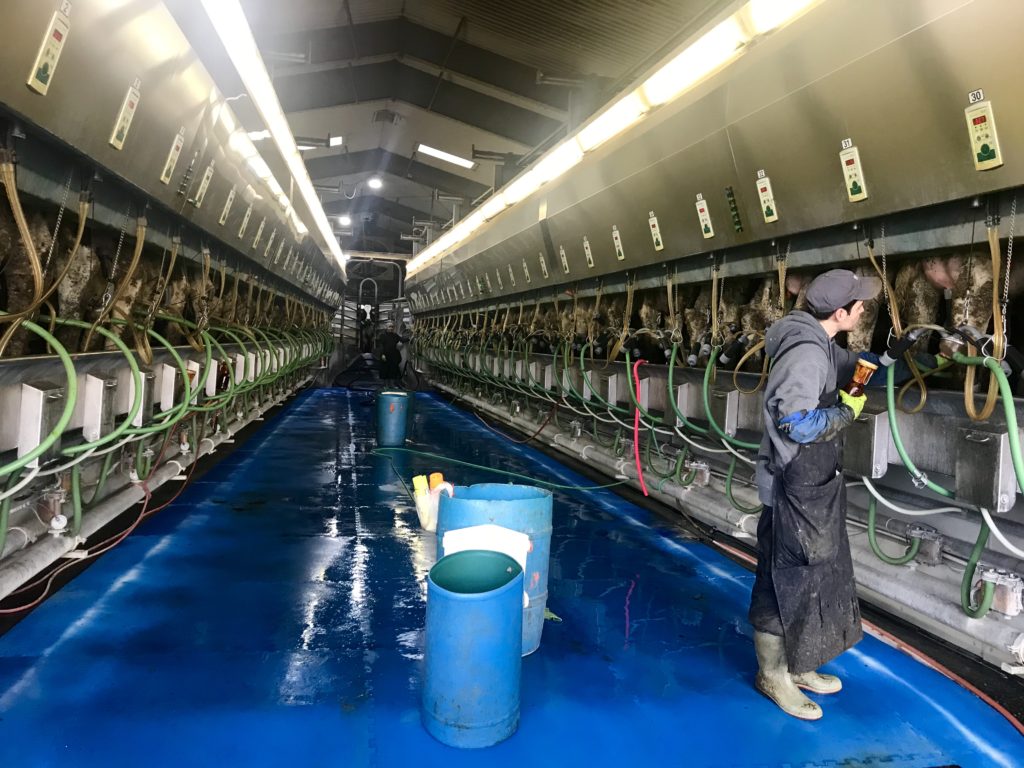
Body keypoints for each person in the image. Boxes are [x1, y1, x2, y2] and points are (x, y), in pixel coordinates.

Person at [748, 268, 883, 721]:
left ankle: (797, 664)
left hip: (810, 485)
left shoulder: (822, 342)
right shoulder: (806, 351)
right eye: (859, 304)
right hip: (790, 483)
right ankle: (773, 674)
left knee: (808, 575)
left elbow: (850, 369)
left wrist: (895, 360)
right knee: (778, 576)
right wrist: (845, 413)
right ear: (839, 312)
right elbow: (797, 422)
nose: (864, 308)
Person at [377, 322, 403, 387]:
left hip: (393, 356)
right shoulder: (382, 335)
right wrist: (382, 354)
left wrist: (410, 337)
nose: (391, 328)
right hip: (385, 356)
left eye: (392, 327)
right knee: (385, 370)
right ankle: (385, 385)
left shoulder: (395, 335)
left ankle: (392, 385)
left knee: (393, 370)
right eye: (389, 327)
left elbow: (402, 339)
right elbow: (381, 345)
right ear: (386, 327)